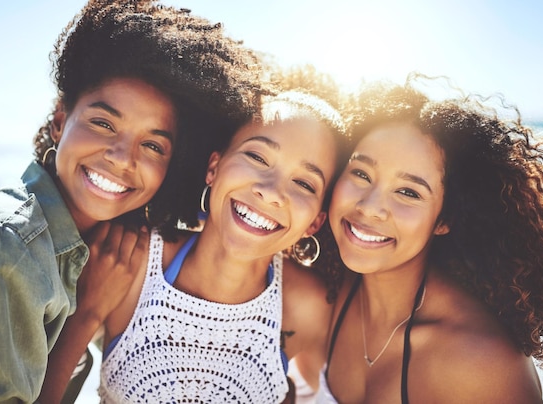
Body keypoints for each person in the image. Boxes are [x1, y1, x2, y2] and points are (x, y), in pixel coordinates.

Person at [0, 0, 263, 401]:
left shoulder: (96, 248)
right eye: (104, 123)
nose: (123, 158)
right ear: (59, 120)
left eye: (153, 145)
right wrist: (86, 316)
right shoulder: (7, 240)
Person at [302, 77, 543, 403]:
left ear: (444, 220)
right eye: (361, 174)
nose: (370, 208)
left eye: (408, 192)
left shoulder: (482, 364)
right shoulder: (321, 289)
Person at [82, 83, 350, 403]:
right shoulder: (127, 262)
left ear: (316, 222)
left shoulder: (310, 306)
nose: (271, 191)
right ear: (214, 167)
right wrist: (86, 313)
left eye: (304, 183)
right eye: (257, 157)